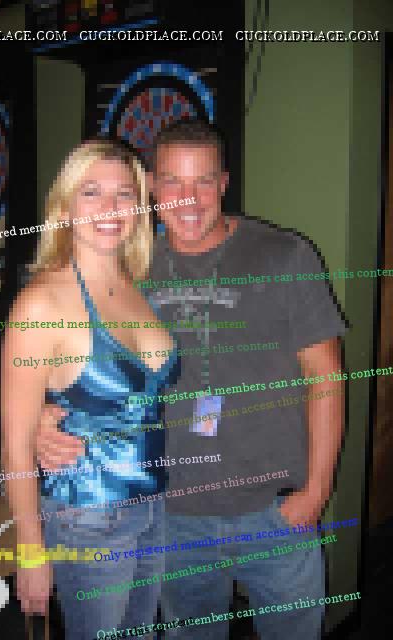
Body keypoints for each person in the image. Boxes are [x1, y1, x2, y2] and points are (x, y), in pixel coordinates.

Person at [35, 120, 346, 639]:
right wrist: (45, 415)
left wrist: (318, 489)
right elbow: (62, 349)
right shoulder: (127, 267)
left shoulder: (284, 255)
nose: (189, 199)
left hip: (274, 511)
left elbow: (326, 377)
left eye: (203, 181)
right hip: (171, 514)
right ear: (153, 188)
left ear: (223, 183)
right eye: (173, 182)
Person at [1, 139, 178, 640]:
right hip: (87, 514)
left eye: (124, 194)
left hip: (152, 504)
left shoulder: (136, 285)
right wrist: (30, 549)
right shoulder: (41, 304)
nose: (110, 207)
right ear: (64, 207)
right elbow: (14, 443)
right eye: (91, 192)